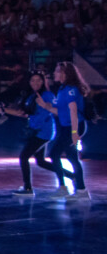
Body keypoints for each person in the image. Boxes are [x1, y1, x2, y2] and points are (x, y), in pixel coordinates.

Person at [36, 62, 92, 201]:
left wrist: (74, 132)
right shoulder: (62, 89)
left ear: (64, 73)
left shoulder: (70, 90)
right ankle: (81, 190)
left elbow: (73, 111)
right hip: (67, 126)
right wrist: (45, 106)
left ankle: (64, 188)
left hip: (74, 126)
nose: (54, 73)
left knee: (54, 154)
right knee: (72, 157)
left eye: (57, 71)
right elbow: (61, 111)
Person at [0, 71, 56, 196]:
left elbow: (52, 108)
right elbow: (23, 113)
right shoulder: (31, 96)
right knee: (41, 161)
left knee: (24, 157)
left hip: (43, 132)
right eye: (33, 80)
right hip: (36, 131)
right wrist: (4, 110)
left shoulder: (47, 95)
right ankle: (71, 175)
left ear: (43, 82)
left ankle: (28, 188)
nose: (36, 83)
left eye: (38, 80)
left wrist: (45, 105)